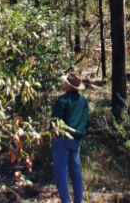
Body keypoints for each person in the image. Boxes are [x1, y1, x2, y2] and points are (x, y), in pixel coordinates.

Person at [51, 72, 90, 203]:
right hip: (76, 140)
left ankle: (66, 201)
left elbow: (55, 121)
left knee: (61, 173)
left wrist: (52, 135)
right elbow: (86, 121)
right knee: (76, 173)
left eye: (66, 82)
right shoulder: (83, 101)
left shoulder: (62, 100)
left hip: (62, 139)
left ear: (70, 86)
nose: (64, 84)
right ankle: (79, 201)